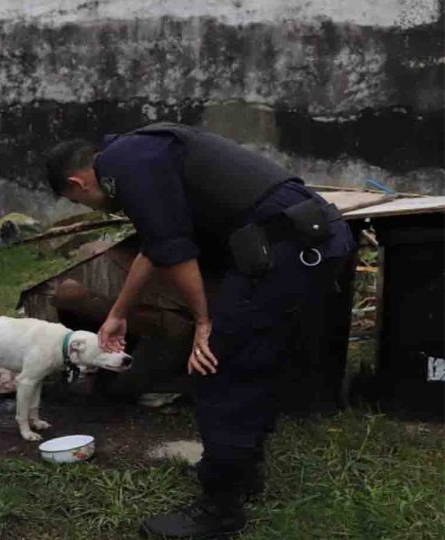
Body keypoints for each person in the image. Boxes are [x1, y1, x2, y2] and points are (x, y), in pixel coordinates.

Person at [45, 123, 355, 538]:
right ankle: (241, 473)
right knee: (250, 356)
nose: (88, 206)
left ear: (76, 182)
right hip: (308, 239)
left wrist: (205, 323)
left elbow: (176, 252)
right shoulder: (139, 154)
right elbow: (156, 246)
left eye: (77, 200)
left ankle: (219, 512)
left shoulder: (126, 167)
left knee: (216, 366)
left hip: (290, 248)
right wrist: (119, 312)